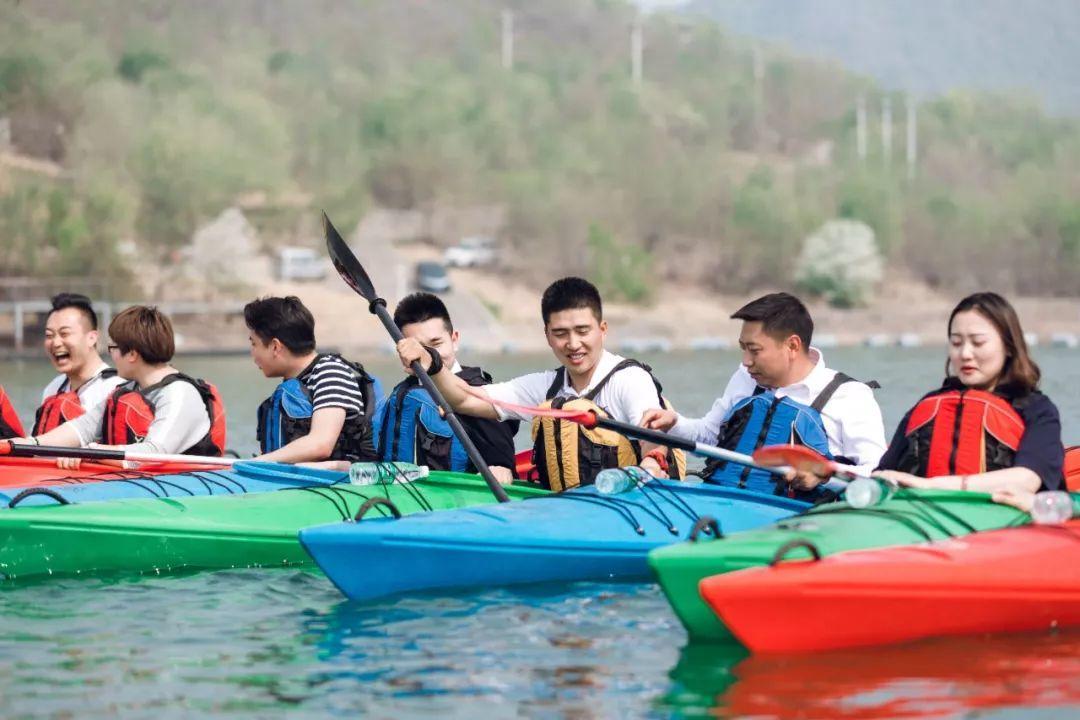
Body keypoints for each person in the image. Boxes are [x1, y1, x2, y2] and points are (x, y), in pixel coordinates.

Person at [396, 277, 684, 491]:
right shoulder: (544, 386)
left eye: (582, 331)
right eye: (560, 333)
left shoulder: (630, 379)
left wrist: (650, 462)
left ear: (602, 330)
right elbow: (463, 399)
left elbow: (652, 439)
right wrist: (431, 363)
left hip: (631, 504)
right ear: (547, 335)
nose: (573, 344)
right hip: (570, 510)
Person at [642, 292, 886, 499]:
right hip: (721, 503)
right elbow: (709, 436)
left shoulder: (851, 396)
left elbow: (876, 472)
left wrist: (824, 473)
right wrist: (674, 423)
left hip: (798, 521)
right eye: (743, 348)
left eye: (755, 351)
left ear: (792, 346)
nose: (746, 361)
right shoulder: (745, 377)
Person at [875, 292, 1064, 494]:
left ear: (1009, 347)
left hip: (1004, 517)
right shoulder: (928, 405)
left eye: (978, 342)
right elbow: (884, 474)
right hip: (926, 516)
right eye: (956, 343)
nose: (965, 354)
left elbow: (1027, 480)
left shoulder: (1038, 410)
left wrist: (931, 485)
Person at [26, 305, 226, 467]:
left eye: (113, 348)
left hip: (182, 491)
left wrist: (91, 453)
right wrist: (27, 444)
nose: (110, 355)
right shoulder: (127, 389)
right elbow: (81, 429)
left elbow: (155, 452)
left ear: (131, 354)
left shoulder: (179, 393)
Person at [375, 292, 517, 482]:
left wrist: (500, 470)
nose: (427, 354)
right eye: (416, 347)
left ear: (454, 339)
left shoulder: (478, 392)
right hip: (397, 497)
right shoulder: (402, 393)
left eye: (436, 343)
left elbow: (502, 468)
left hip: (453, 501)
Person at [247, 296, 379, 464]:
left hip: (337, 485)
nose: (253, 353)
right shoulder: (296, 383)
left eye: (254, 344)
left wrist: (257, 462)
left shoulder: (330, 372)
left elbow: (321, 444)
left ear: (275, 347)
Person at [33, 293, 125, 434]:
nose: (56, 343)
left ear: (92, 338)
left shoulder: (115, 389)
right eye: (49, 335)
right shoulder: (53, 388)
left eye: (65, 334)